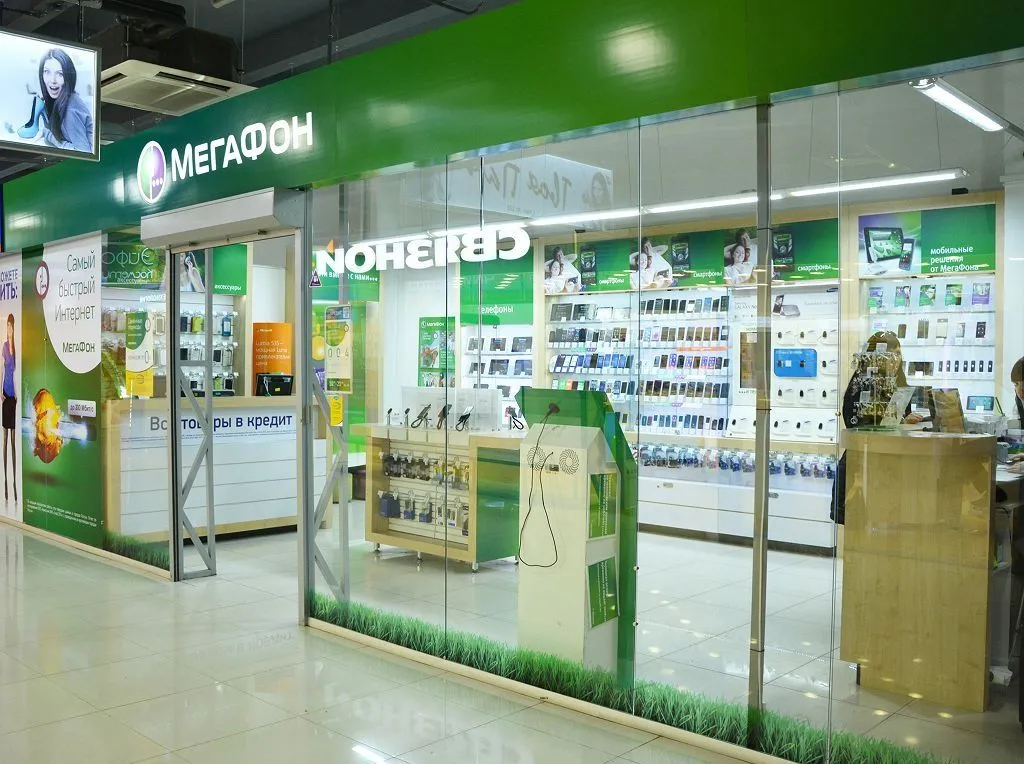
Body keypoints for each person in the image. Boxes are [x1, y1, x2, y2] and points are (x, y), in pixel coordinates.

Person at [831, 331, 924, 523]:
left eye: (898, 354)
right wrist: (898, 422)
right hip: (868, 457)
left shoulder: (896, 380)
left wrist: (905, 419)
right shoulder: (864, 382)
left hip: (889, 458)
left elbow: (900, 413)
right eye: (892, 354)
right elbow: (858, 422)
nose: (896, 359)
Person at [6, 49, 93, 153]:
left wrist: (48, 135)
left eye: (60, 74)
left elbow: (83, 152)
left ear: (68, 77)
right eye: (47, 72)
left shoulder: (70, 111)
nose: (53, 80)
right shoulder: (62, 100)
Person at [2, 315, 16, 505]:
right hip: (6, 394)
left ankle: (14, 484)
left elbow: (16, 371)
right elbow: (2, 369)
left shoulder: (16, 347)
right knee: (5, 439)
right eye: (7, 326)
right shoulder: (5, 346)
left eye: (11, 326)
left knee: (13, 441)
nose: (9, 328)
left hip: (14, 396)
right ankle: (5, 482)